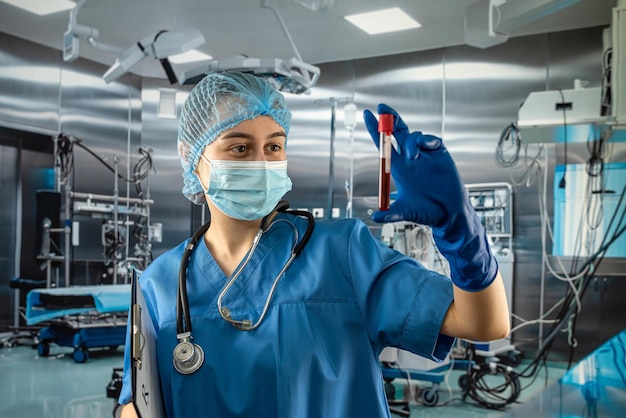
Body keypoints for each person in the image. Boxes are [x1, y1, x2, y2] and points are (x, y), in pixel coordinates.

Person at [118, 71, 509, 418]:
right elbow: (136, 401)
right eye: (239, 148)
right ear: (192, 157)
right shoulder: (159, 286)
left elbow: (485, 323)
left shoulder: (342, 254)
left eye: (273, 147)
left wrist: (460, 231)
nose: (261, 162)